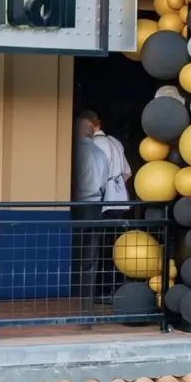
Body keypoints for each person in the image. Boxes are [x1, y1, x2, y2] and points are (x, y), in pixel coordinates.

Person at [72, 108, 132, 304]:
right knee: (112, 248)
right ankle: (111, 289)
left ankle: (93, 293)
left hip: (98, 204)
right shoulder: (116, 142)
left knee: (92, 249)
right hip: (119, 203)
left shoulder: (91, 146)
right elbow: (126, 173)